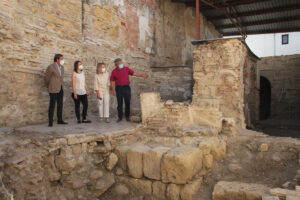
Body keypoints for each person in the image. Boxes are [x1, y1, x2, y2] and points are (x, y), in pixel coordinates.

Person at [110, 58, 148, 122]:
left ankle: (127, 116)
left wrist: (141, 75)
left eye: (121, 63)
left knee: (127, 102)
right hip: (118, 88)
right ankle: (120, 117)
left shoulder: (126, 69)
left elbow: (134, 73)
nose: (121, 64)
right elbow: (112, 81)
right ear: (116, 65)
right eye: (119, 63)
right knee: (119, 103)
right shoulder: (114, 71)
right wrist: (113, 90)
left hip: (126, 88)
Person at [44, 54, 68, 127]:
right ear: (57, 59)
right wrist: (49, 86)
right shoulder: (51, 67)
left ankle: (59, 120)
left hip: (60, 88)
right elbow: (46, 78)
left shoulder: (62, 68)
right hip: (53, 88)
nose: (63, 60)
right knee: (52, 105)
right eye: (61, 59)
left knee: (60, 105)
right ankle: (50, 122)